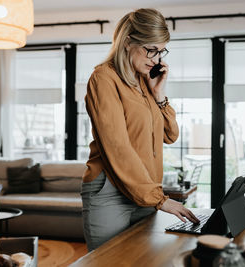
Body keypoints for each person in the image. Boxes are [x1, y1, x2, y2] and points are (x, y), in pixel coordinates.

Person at [81, 8, 199, 251]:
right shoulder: (103, 78)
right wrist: (159, 200)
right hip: (109, 191)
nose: (156, 59)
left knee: (142, 260)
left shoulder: (145, 80)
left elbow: (170, 135)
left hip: (145, 189)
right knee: (108, 263)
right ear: (127, 42)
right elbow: (118, 148)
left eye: (161, 51)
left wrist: (159, 95)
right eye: (151, 49)